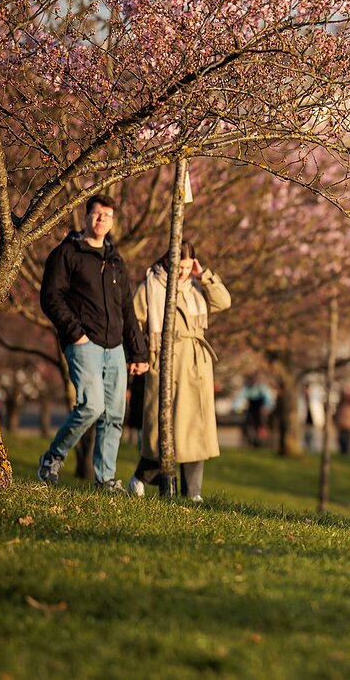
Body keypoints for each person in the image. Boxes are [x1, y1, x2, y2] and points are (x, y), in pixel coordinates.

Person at [38, 195, 149, 492]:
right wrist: (76, 333)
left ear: (113, 222)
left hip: (115, 348)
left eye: (107, 216)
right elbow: (50, 297)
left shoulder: (115, 260)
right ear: (86, 216)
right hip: (84, 343)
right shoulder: (67, 253)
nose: (102, 220)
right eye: (97, 214)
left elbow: (127, 308)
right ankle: (53, 457)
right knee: (91, 407)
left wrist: (138, 352)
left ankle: (106, 479)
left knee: (114, 415)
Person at [127, 240, 231, 502]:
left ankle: (193, 492)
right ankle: (140, 478)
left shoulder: (195, 286)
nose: (183, 272)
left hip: (195, 366)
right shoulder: (151, 285)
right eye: (179, 266)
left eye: (187, 266)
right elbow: (133, 322)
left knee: (195, 428)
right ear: (167, 260)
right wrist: (140, 355)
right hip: (164, 363)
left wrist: (203, 274)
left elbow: (224, 301)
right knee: (162, 429)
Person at [235, 373, 275, 448]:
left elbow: (267, 398)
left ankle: (262, 437)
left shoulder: (262, 388)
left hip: (260, 409)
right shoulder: (247, 388)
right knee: (247, 422)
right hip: (251, 408)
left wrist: (267, 407)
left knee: (261, 422)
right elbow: (240, 397)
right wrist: (236, 407)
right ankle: (249, 439)